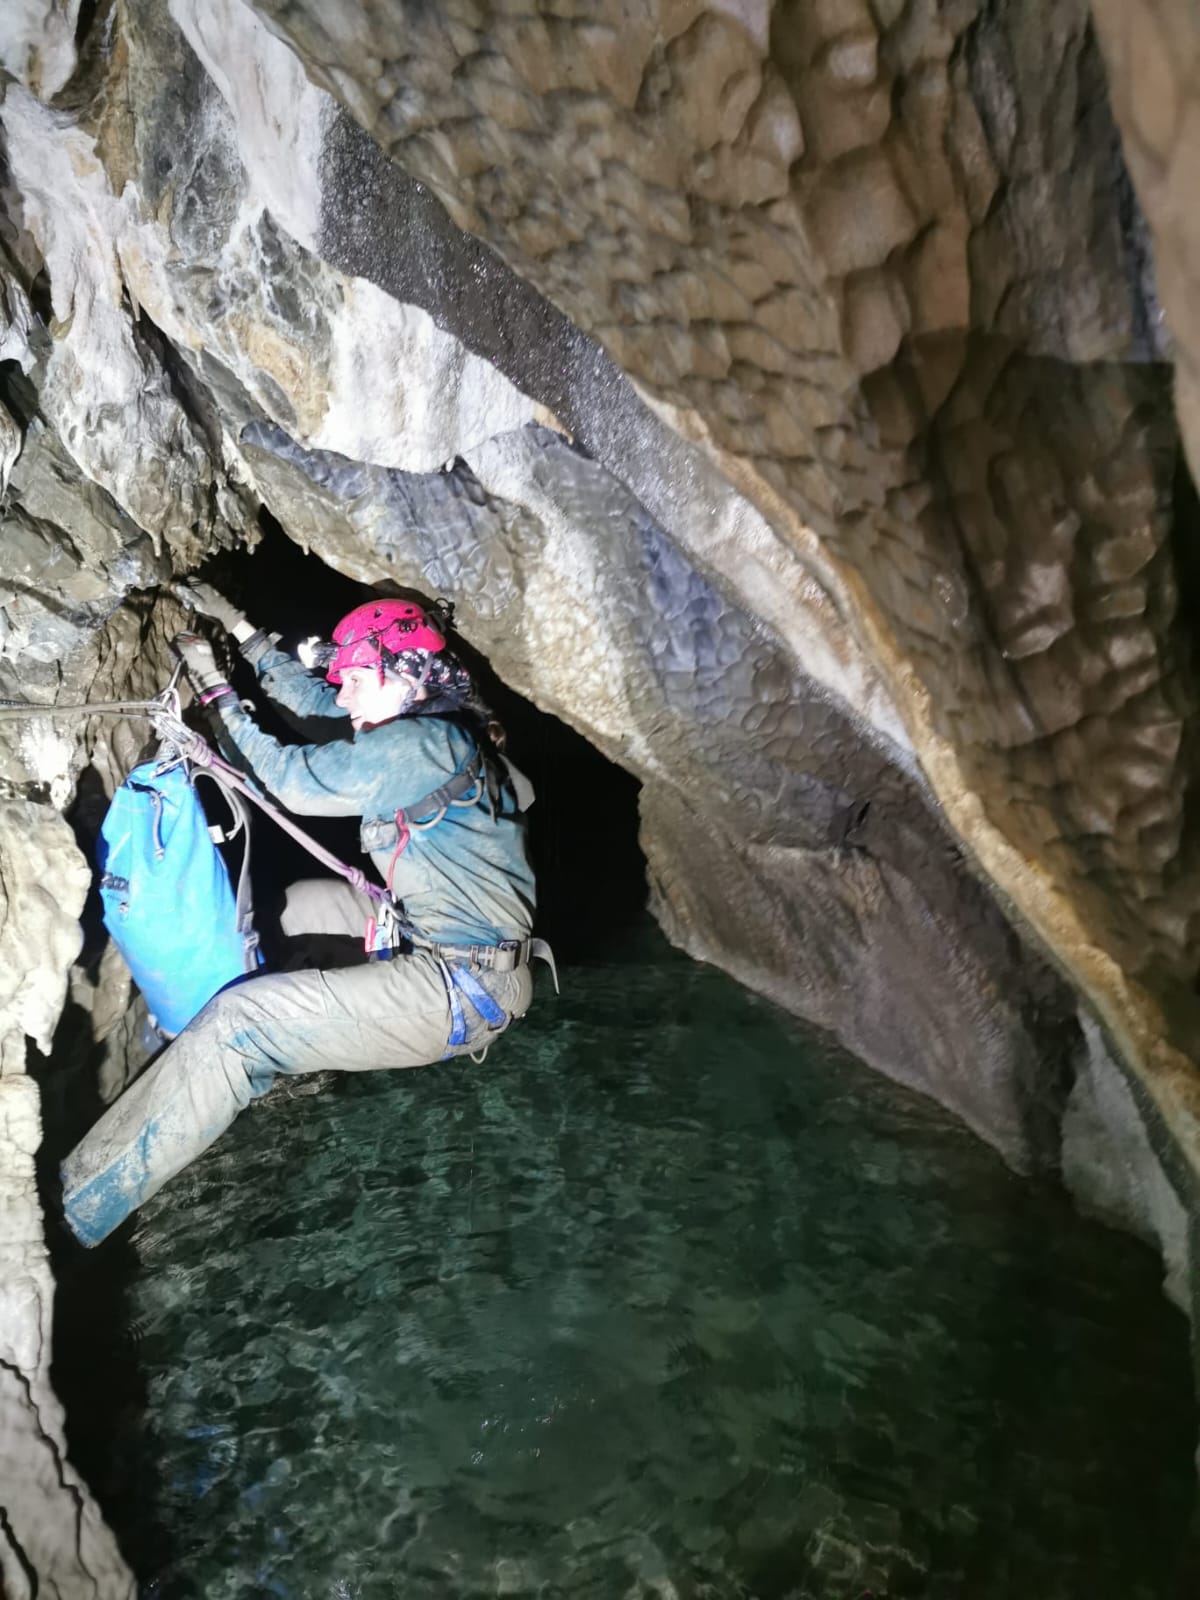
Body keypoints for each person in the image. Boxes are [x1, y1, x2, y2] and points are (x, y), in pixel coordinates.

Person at [61, 582, 541, 1248]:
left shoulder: (424, 749)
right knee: (292, 907)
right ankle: (264, 1055)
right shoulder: (435, 733)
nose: (339, 691)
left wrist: (214, 693)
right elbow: (318, 708)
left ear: (403, 676)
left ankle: (75, 1210)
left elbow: (288, 779)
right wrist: (244, 631)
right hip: (439, 940)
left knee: (240, 1024)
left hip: (463, 986)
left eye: (354, 677)